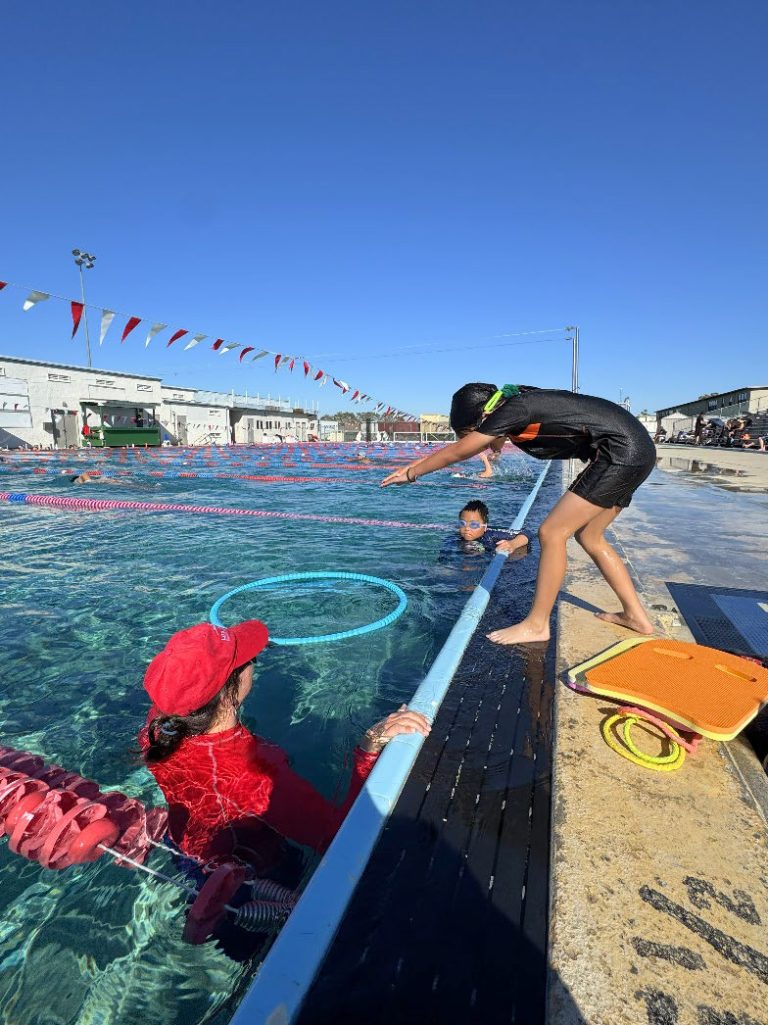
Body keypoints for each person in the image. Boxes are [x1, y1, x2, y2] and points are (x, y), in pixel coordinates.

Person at [139, 621, 430, 874]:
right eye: (247, 659)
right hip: (249, 871)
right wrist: (370, 746)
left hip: (184, 846)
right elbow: (339, 838)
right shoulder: (256, 775)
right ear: (230, 692)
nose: (254, 661)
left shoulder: (159, 728)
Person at [382, 383, 657, 645]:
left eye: (476, 435)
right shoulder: (517, 407)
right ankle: (635, 616)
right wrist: (410, 466)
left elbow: (458, 452)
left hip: (620, 453)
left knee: (552, 533)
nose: (483, 445)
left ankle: (537, 625)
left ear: (486, 417)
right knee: (590, 536)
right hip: (634, 449)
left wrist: (412, 473)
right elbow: (460, 448)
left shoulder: (515, 408)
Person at [456, 500, 529, 556]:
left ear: (485, 527)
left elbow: (527, 533)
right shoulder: (457, 537)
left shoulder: (493, 534)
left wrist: (513, 544)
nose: (467, 528)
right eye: (462, 523)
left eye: (474, 525)